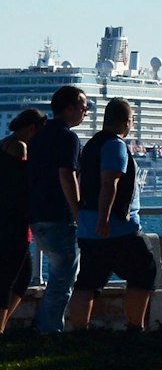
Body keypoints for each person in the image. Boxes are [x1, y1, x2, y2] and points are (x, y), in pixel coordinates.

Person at [68, 99, 156, 332]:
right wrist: (104, 219)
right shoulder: (115, 145)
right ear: (127, 122)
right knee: (145, 272)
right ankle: (134, 327)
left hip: (88, 227)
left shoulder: (91, 146)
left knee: (87, 280)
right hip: (116, 228)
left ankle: (78, 330)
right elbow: (110, 183)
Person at [25, 85, 88, 334]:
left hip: (37, 215)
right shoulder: (68, 137)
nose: (85, 113)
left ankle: (42, 325)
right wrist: (78, 213)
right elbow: (67, 175)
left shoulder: (38, 136)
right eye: (83, 108)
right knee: (63, 280)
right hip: (59, 217)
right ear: (70, 108)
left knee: (57, 276)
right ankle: (48, 330)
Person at [1, 109, 46, 334]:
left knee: (23, 275)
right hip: (15, 221)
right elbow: (23, 183)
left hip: (6, 218)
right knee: (9, 278)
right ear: (32, 128)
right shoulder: (21, 147)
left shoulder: (3, 143)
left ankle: (4, 322)